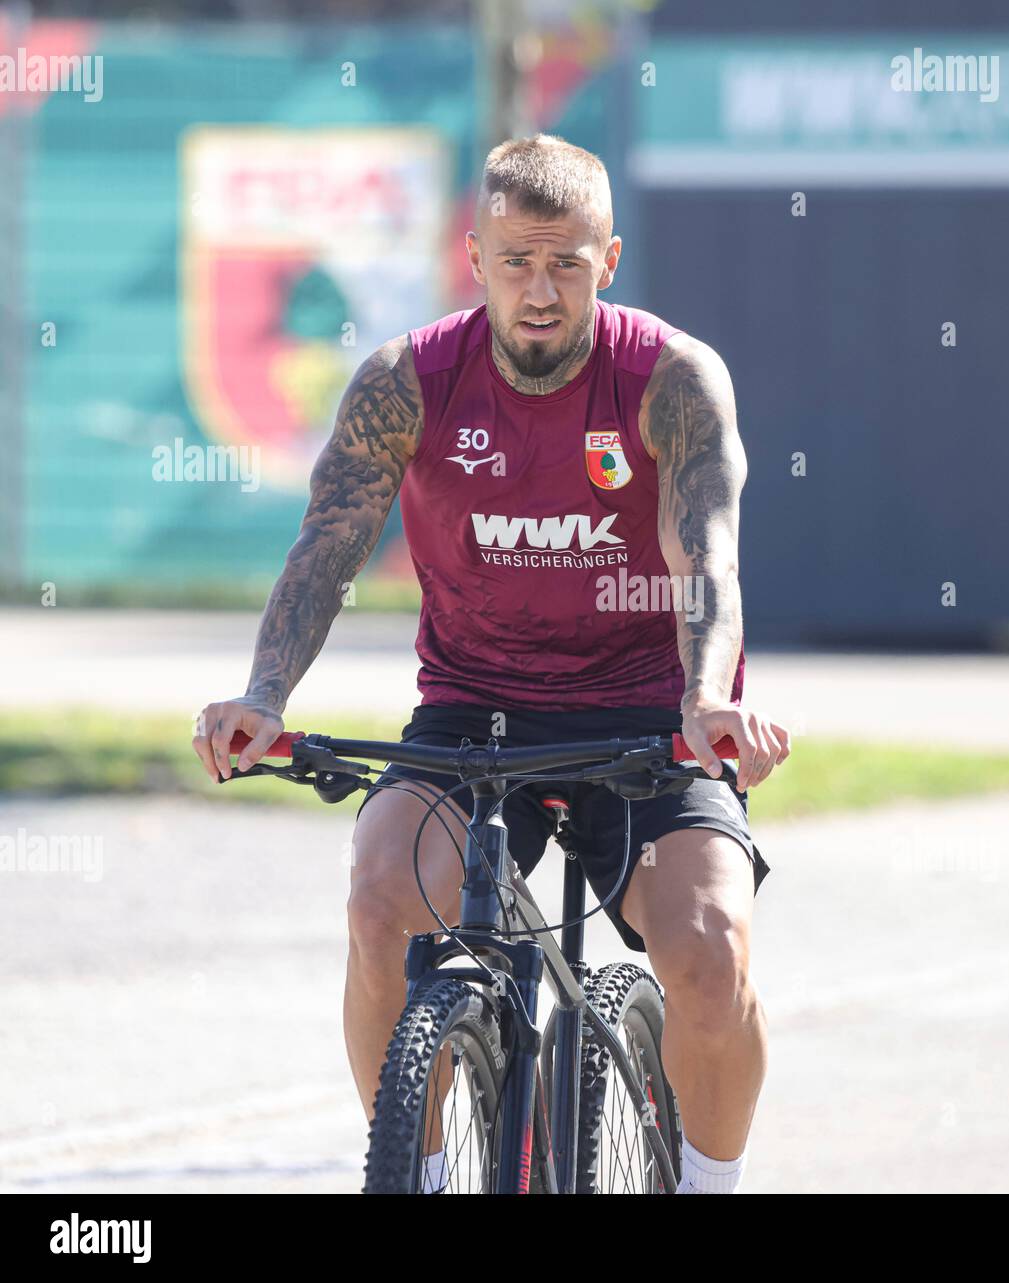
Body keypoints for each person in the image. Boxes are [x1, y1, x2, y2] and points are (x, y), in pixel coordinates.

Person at [193, 134, 790, 1194]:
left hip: (650, 716)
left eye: (566, 263)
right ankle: (415, 1174)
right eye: (516, 261)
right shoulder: (407, 382)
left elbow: (706, 556)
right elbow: (326, 549)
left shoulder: (671, 379)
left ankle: (709, 1183)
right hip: (475, 713)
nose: (540, 290)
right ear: (474, 256)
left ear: (608, 262)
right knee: (379, 901)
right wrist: (265, 695)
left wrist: (708, 694)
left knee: (709, 949)